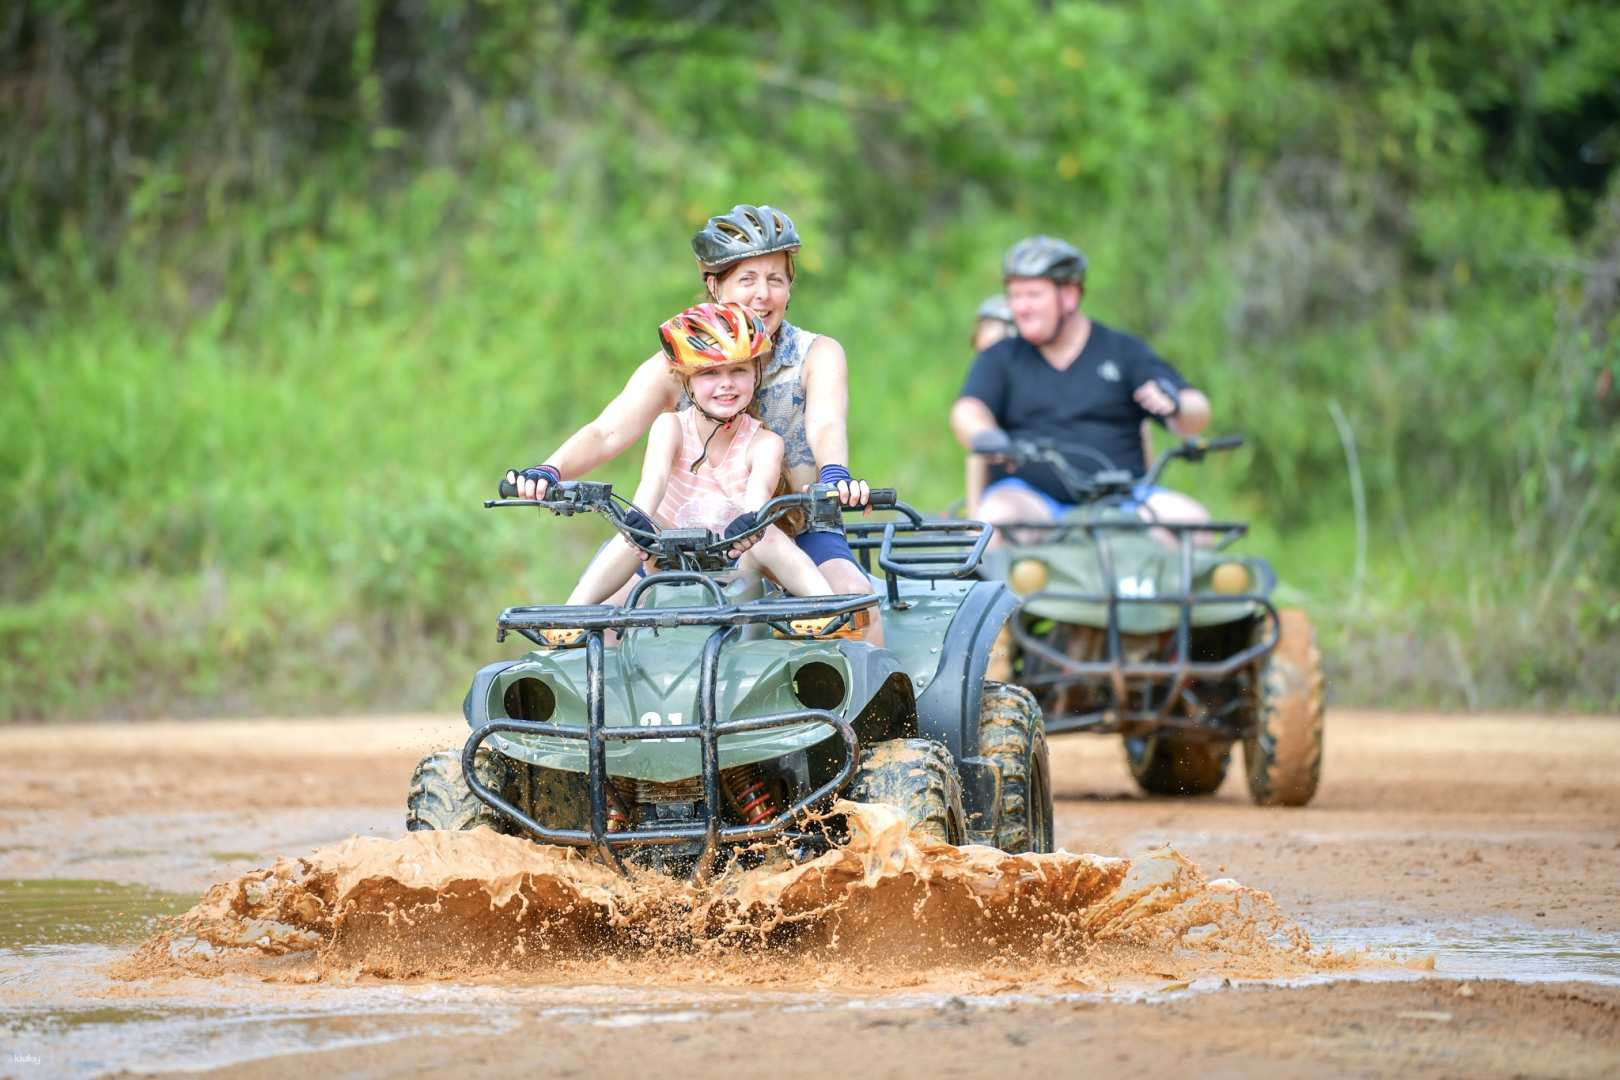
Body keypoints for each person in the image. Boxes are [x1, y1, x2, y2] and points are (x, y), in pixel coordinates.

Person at [507, 204, 882, 637]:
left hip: (797, 526)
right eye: (747, 279)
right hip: (688, 540)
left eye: (775, 279)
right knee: (597, 621)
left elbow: (826, 425)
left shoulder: (817, 354)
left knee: (854, 600)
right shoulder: (679, 360)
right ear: (714, 285)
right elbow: (607, 430)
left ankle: (883, 705)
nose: (763, 294)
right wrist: (547, 471)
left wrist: (836, 475)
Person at [565, 302, 836, 604]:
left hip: (737, 560)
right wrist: (636, 522)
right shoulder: (671, 427)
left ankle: (827, 607)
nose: (726, 384)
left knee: (766, 533)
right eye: (710, 373)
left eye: (739, 371)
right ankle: (571, 614)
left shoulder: (764, 442)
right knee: (637, 526)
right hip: (669, 559)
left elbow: (758, 494)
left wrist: (751, 522)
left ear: (756, 373)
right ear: (687, 379)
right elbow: (652, 484)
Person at [950, 235, 1212, 542]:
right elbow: (969, 410)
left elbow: (1197, 411)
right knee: (995, 521)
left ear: (1070, 296)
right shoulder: (1002, 357)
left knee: (1194, 525)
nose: (1021, 308)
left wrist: (1178, 406)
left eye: (1033, 295)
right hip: (1031, 499)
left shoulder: (1122, 351)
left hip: (1126, 499)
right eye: (1014, 296)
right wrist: (987, 436)